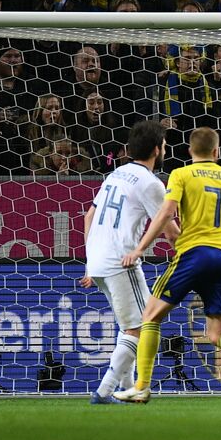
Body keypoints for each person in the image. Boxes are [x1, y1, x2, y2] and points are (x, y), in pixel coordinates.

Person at [114, 127, 221, 405]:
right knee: (219, 331)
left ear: (189, 151)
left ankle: (141, 386)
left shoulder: (181, 174)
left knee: (150, 316)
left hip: (193, 254)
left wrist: (140, 248)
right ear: (216, 151)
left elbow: (166, 214)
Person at [79, 122, 175, 404]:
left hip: (97, 260)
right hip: (120, 261)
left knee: (129, 326)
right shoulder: (151, 183)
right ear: (158, 149)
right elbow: (169, 230)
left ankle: (129, 389)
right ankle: (104, 391)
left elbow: (88, 217)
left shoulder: (115, 174)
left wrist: (88, 261)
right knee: (145, 324)